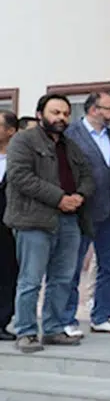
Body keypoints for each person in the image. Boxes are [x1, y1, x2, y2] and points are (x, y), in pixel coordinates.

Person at [3, 95, 94, 352]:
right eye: (55, 112)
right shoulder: (23, 140)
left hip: (69, 220)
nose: (61, 118)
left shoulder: (70, 145)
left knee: (63, 278)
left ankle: (53, 329)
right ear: (40, 114)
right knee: (30, 280)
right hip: (34, 220)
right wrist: (59, 198)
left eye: (65, 113)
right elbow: (20, 177)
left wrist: (80, 195)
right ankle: (26, 332)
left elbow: (87, 175)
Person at [63, 90, 110, 335]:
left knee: (109, 267)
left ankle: (101, 316)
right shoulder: (71, 135)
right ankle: (66, 319)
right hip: (82, 212)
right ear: (94, 110)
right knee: (71, 268)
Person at [0, 111, 18, 341]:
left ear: (10, 131)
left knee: (7, 273)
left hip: (9, 222)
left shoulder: (18, 158)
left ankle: (2, 321)